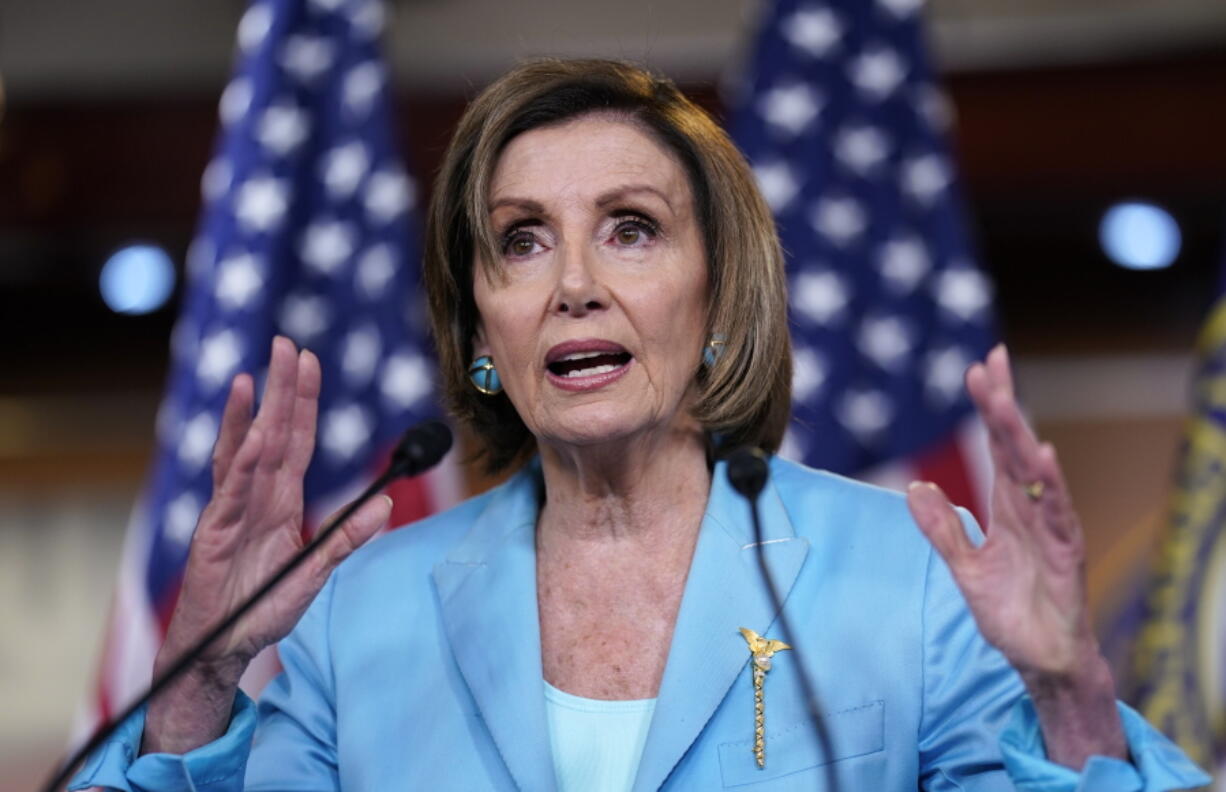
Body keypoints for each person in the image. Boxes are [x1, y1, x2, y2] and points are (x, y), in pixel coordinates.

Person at [73, 59, 1208, 792]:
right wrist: (202, 676)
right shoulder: (362, 609)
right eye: (518, 241)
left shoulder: (904, 570)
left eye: (629, 229)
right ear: (482, 328)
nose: (571, 281)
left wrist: (1065, 692)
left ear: (716, 300)